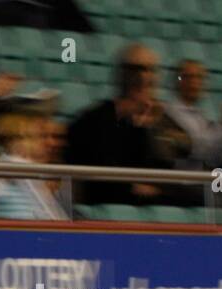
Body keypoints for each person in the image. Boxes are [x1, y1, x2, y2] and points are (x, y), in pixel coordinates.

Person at [66, 43, 168, 206]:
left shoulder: (165, 122)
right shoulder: (93, 120)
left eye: (150, 70)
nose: (143, 76)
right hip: (108, 206)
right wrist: (131, 187)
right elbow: (96, 173)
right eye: (135, 69)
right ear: (121, 74)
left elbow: (172, 170)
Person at [0, 112, 68, 219]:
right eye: (33, 137)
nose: (41, 143)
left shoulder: (34, 173)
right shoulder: (13, 168)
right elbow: (50, 217)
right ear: (13, 143)